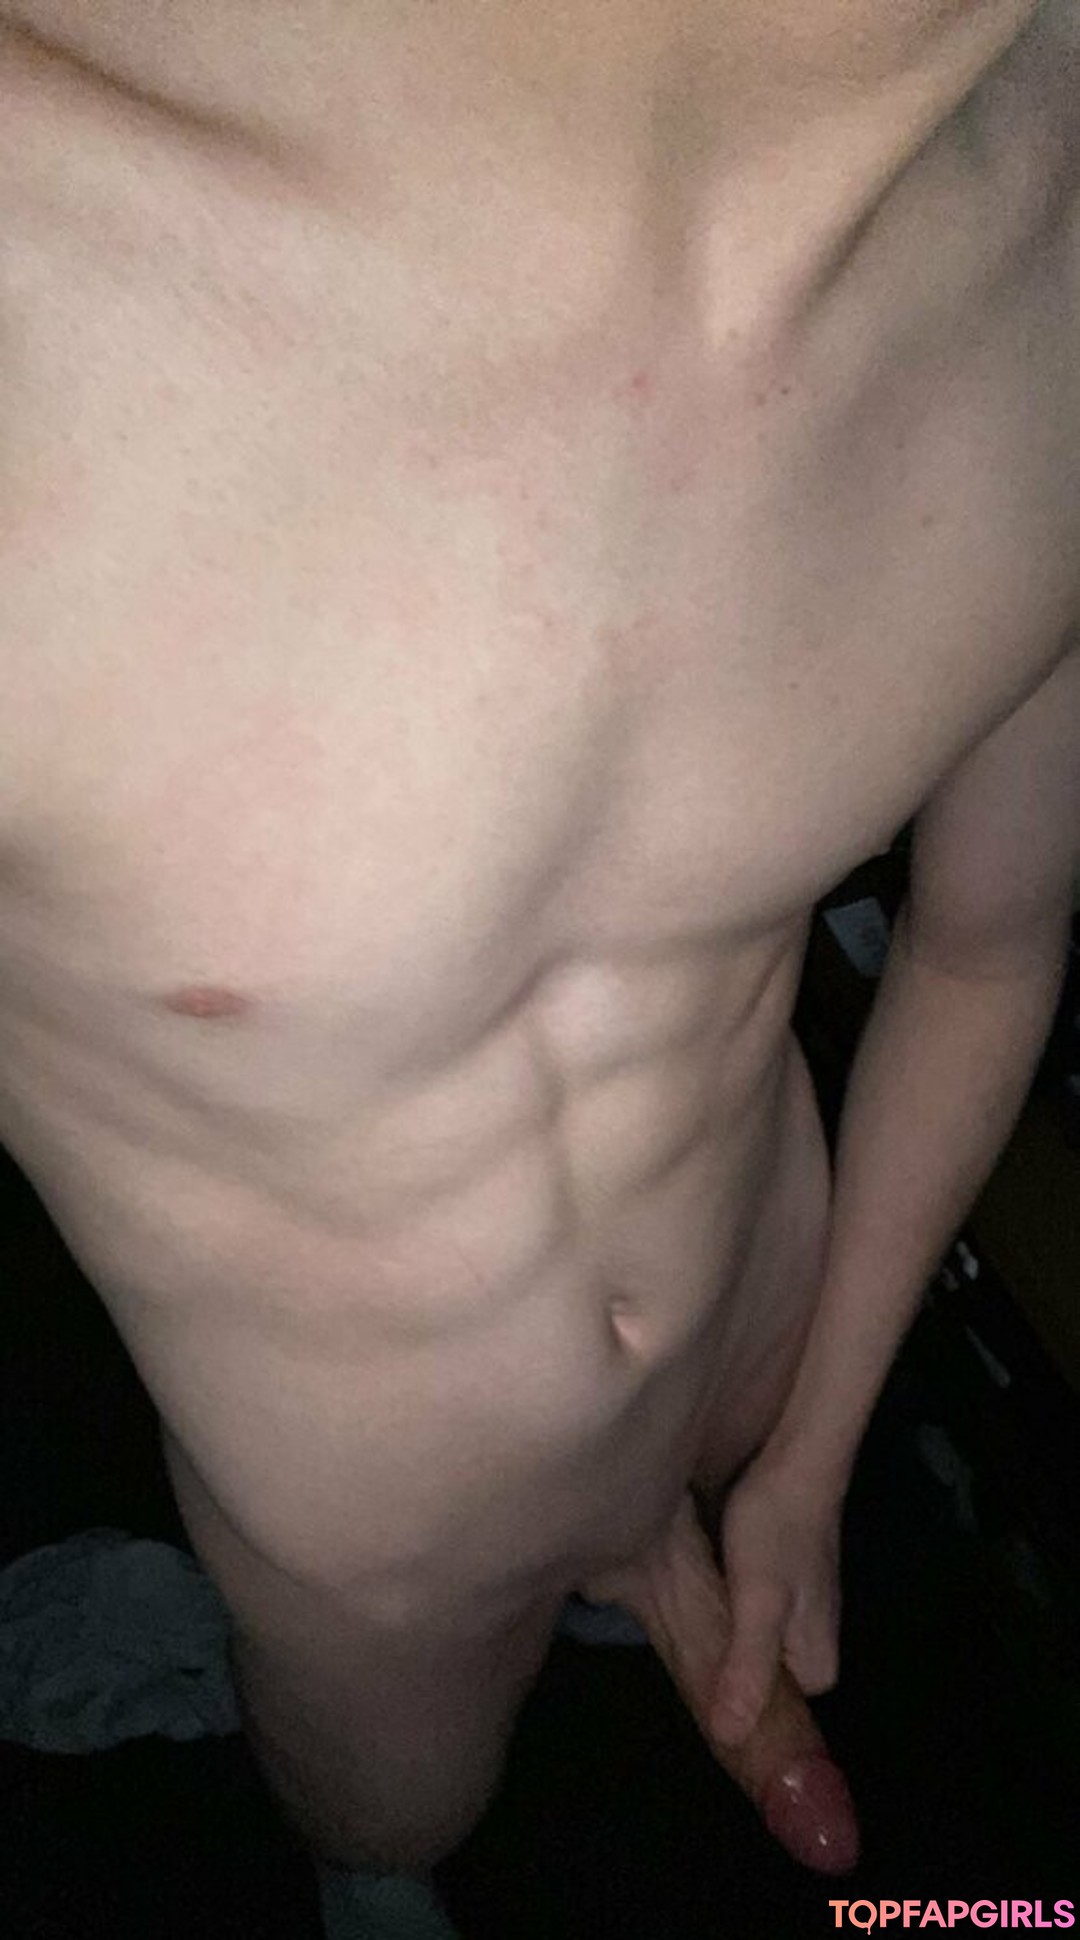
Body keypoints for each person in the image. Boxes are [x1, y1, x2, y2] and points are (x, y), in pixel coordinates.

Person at [1, 0, 1078, 1931]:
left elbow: (989, 946)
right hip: (373, 1540)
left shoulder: (1052, 215)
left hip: (773, 1323)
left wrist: (812, 1455)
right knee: (393, 1825)